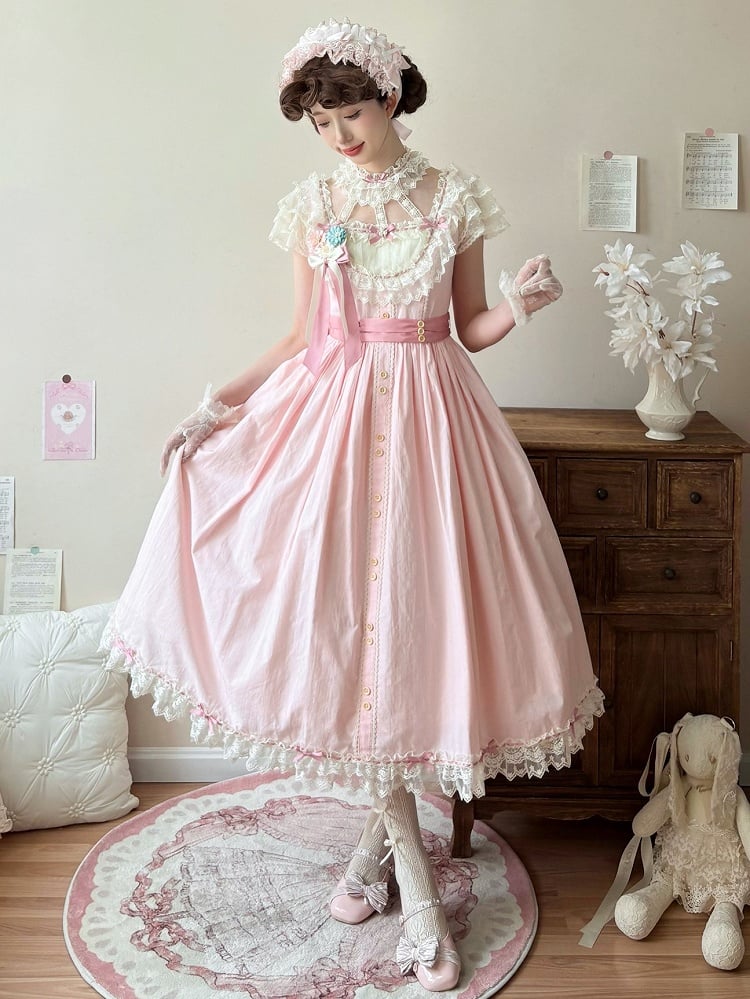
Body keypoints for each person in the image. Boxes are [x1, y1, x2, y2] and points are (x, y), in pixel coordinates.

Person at [105, 19, 604, 992]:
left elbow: (467, 327)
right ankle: (413, 892)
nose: (338, 136)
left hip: (436, 428)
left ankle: (376, 864)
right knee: (345, 641)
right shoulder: (314, 204)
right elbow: (300, 335)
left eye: (351, 115)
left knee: (416, 642)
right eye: (322, 123)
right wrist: (214, 408)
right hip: (332, 427)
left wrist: (519, 306)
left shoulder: (454, 196)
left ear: (392, 98)